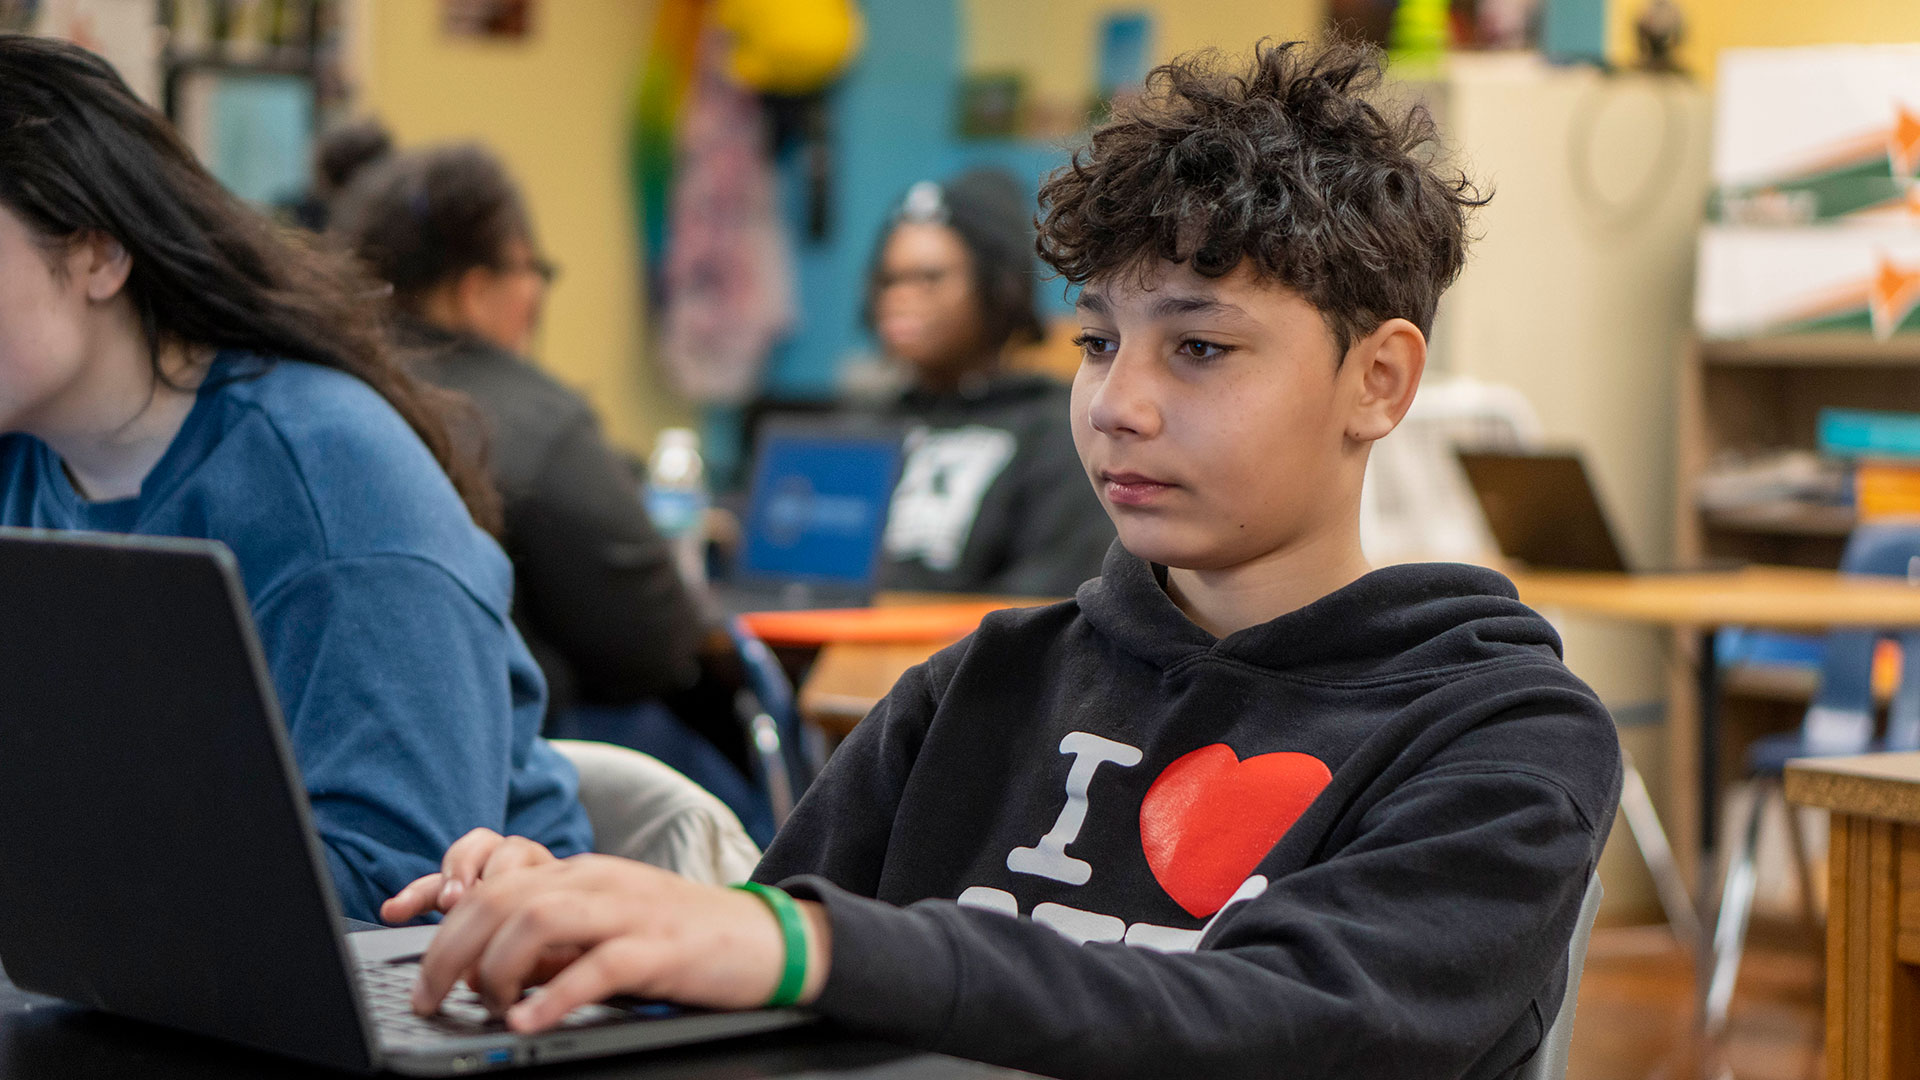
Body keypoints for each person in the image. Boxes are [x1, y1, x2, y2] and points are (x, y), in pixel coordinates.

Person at [384, 40, 1623, 1080]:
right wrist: (597, 932)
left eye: (1198, 349)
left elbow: (1290, 1026)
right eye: (1097, 342)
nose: (1117, 405)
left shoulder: (1500, 732)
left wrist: (806, 947)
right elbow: (768, 967)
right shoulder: (984, 683)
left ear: (1379, 379)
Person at [0, 34, 592, 924]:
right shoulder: (28, 454)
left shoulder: (333, 488)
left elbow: (389, 892)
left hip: (456, 997)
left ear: (97, 255)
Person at [331, 144, 706, 727]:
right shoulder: (539, 421)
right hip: (520, 768)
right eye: (534, 271)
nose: (537, 297)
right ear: (477, 292)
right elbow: (655, 646)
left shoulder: (324, 391)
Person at [863, 167, 1114, 597]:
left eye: (930, 278)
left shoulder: (1055, 431)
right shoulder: (863, 428)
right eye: (890, 280)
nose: (900, 297)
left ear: (998, 285)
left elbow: (1054, 587)